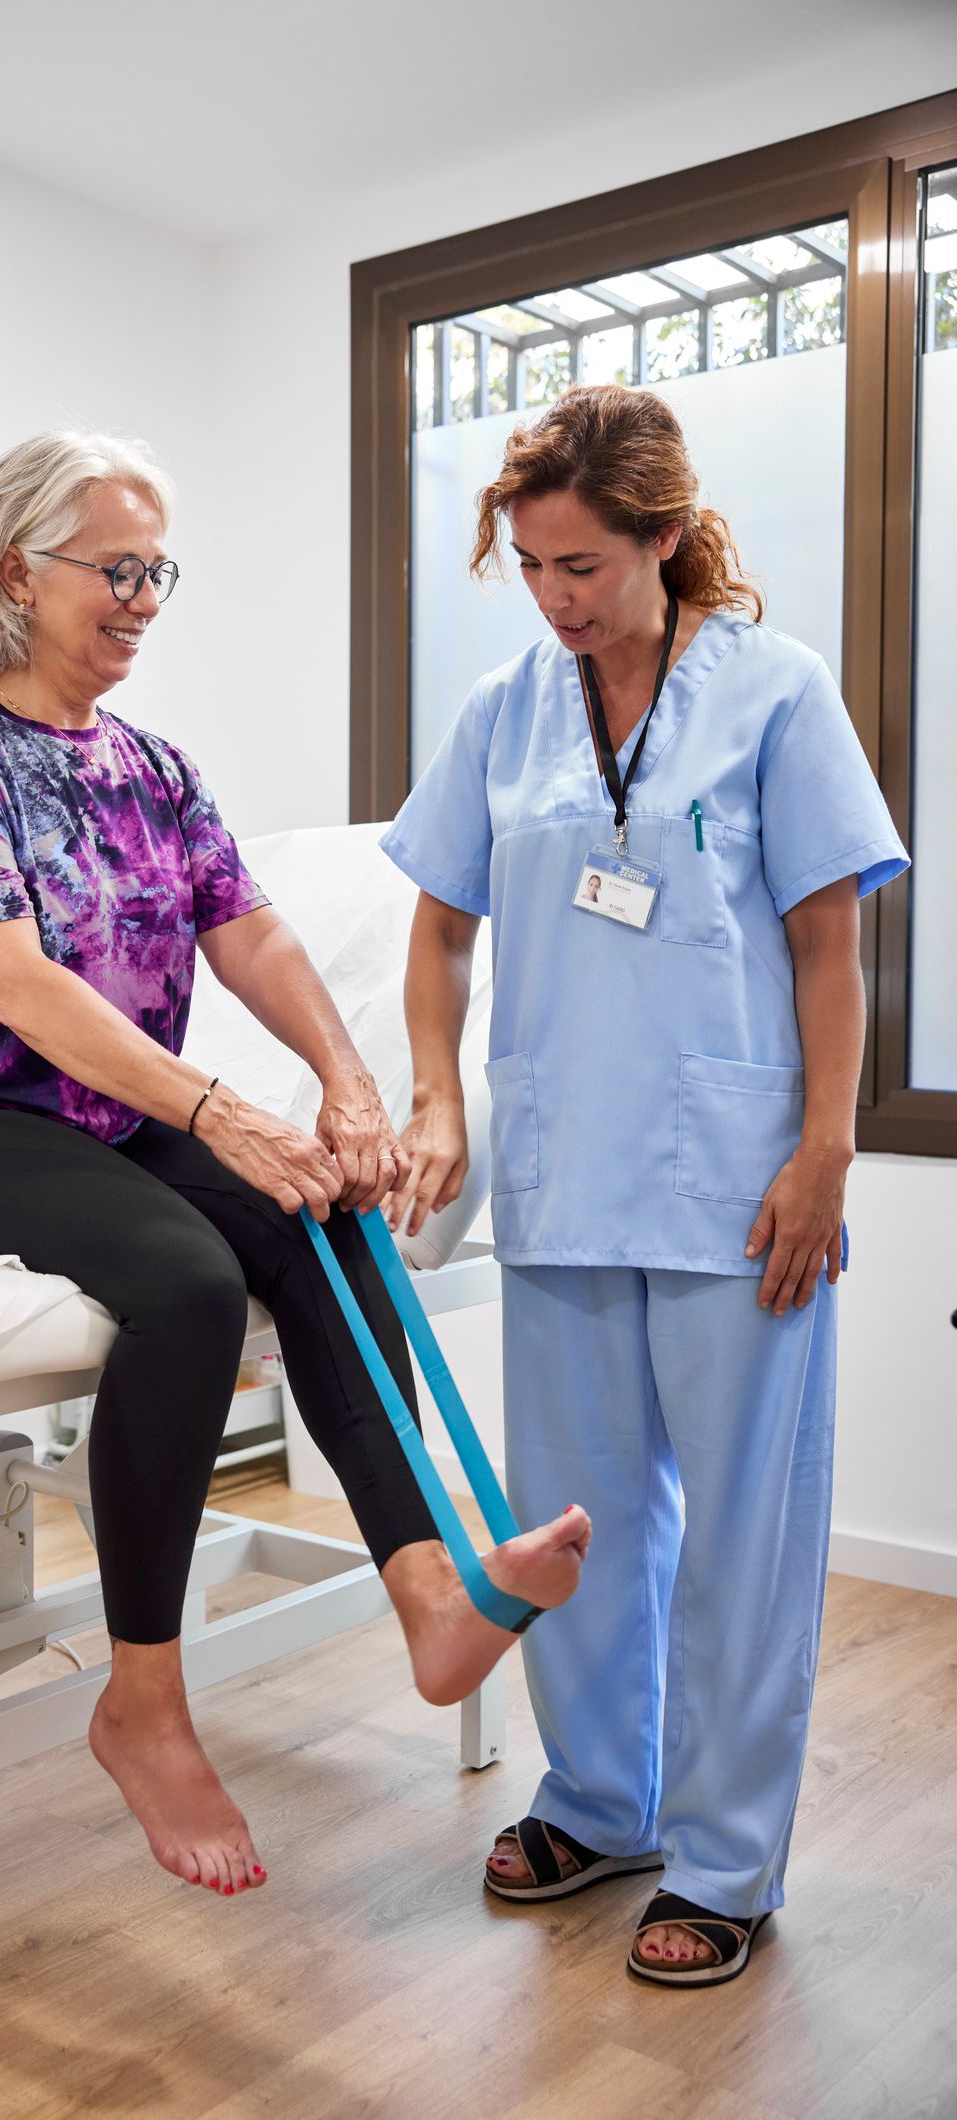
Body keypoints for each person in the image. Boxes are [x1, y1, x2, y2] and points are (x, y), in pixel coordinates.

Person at [0, 431, 592, 1900]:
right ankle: (142, 1701)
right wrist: (218, 1112)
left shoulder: (152, 768)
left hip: (109, 1121)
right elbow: (19, 986)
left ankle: (429, 1590)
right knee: (187, 1286)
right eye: (114, 571)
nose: (141, 600)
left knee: (324, 1225)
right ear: (19, 574)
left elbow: (251, 934)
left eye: (155, 573)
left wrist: (346, 1081)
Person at [382, 384, 907, 1987]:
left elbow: (829, 944)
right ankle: (599, 1802)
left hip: (738, 1185)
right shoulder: (503, 712)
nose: (554, 598)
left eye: (583, 566)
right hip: (562, 1174)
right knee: (576, 1529)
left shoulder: (774, 691)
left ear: (662, 538)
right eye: (531, 567)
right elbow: (438, 927)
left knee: (744, 1541)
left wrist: (823, 1151)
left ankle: (725, 1859)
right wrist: (437, 1095)